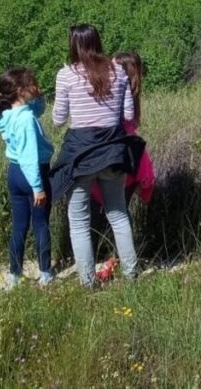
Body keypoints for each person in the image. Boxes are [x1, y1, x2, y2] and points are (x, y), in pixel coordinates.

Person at [51, 24, 143, 287]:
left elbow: (58, 120)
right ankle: (131, 273)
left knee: (79, 220)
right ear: (98, 42)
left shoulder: (66, 75)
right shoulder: (118, 72)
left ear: (74, 44)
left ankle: (88, 282)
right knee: (118, 213)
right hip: (113, 150)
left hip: (80, 154)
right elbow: (127, 116)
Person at [90, 51, 156, 282]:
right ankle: (118, 260)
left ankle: (109, 261)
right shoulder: (133, 94)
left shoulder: (116, 94)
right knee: (120, 213)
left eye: (114, 66)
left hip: (111, 157)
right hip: (129, 161)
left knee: (108, 215)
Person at [0, 68, 55, 288]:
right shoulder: (26, 119)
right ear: (20, 90)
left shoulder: (6, 114)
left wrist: (39, 97)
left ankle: (15, 274)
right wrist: (38, 187)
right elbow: (30, 156)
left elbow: (37, 109)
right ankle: (46, 273)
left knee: (19, 226)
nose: (36, 87)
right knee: (40, 224)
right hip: (33, 173)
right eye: (33, 84)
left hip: (15, 173)